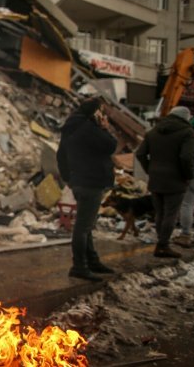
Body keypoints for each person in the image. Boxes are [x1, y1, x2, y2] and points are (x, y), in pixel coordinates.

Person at [57, 97, 117, 282]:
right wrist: (105, 128)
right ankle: (80, 266)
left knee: (86, 224)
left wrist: (68, 177)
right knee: (83, 227)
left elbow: (61, 154)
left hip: (79, 181)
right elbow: (111, 145)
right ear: (95, 112)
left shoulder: (71, 126)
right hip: (91, 181)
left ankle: (92, 261)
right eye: (102, 111)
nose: (103, 115)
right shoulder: (90, 129)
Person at [136, 106, 194, 258]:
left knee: (160, 212)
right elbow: (186, 157)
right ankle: (163, 245)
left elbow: (140, 153)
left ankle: (161, 243)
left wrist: (150, 169)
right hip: (175, 179)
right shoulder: (187, 132)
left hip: (156, 178)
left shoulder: (153, 132)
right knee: (171, 213)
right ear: (185, 117)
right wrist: (188, 175)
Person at [178, 111, 194, 249]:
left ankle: (185, 235)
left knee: (187, 204)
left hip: (193, 174)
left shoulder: (190, 131)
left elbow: (185, 155)